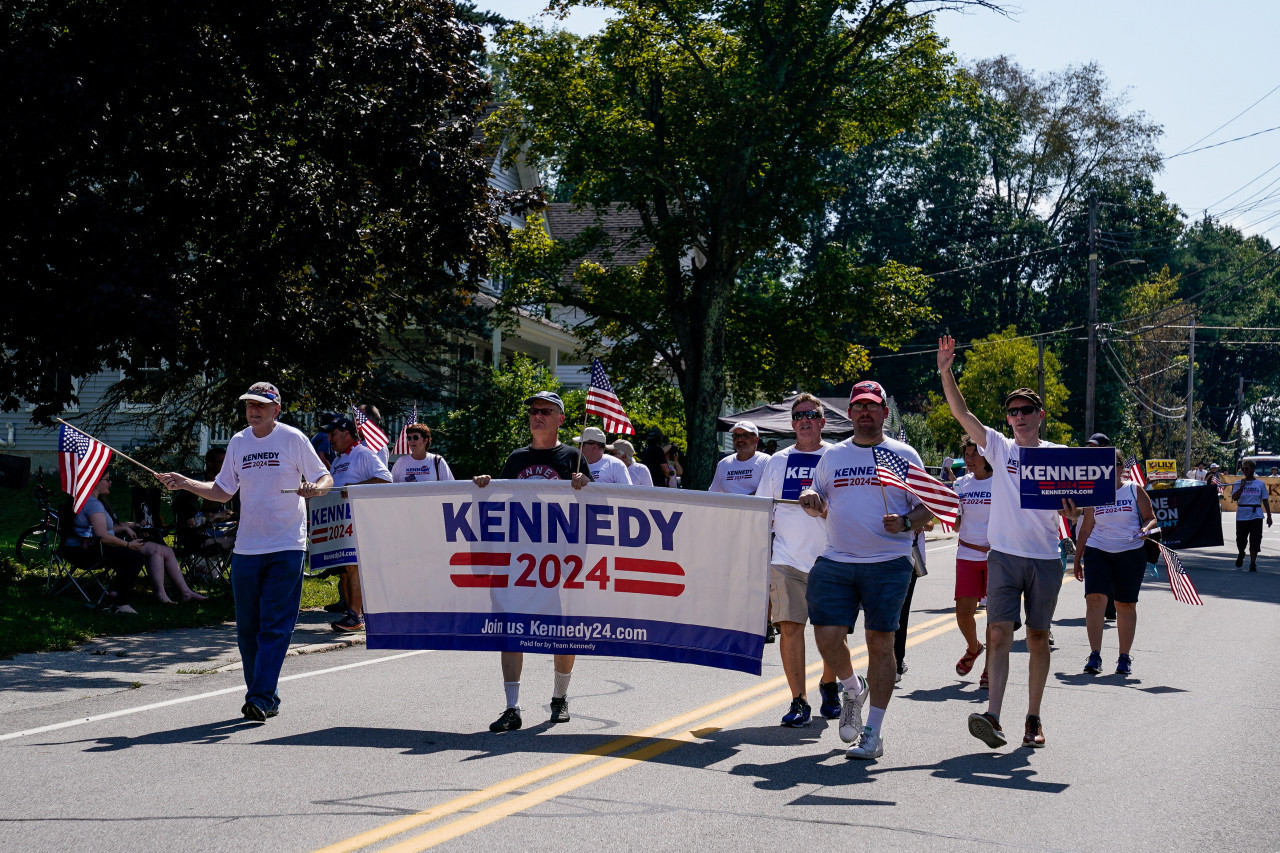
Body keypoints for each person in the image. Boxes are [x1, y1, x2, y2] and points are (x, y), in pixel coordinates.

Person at [157, 382, 332, 722]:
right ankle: (265, 696)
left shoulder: (293, 439)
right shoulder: (238, 442)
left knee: (275, 626)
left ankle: (260, 697)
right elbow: (223, 491)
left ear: (275, 409)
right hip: (247, 548)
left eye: (261, 405)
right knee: (247, 629)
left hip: (286, 546)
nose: (254, 410)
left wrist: (315, 489)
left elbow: (324, 477)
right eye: (249, 404)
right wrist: (186, 482)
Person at [937, 337, 1076, 750]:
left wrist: (1072, 511)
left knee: (1036, 636)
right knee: (998, 632)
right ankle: (993, 715)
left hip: (1044, 558)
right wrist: (946, 371)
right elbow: (962, 413)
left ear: (1039, 415)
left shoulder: (1058, 455)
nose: (1017, 417)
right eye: (1012, 412)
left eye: (1025, 411)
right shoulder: (999, 446)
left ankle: (1032, 717)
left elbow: (1076, 510)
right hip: (1003, 556)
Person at [798, 380, 930, 760]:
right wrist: (812, 499)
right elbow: (820, 499)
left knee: (880, 644)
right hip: (836, 558)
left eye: (873, 406)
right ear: (850, 412)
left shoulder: (903, 454)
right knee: (825, 637)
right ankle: (853, 687)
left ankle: (873, 731)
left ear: (885, 413)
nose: (866, 412)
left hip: (888, 563)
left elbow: (932, 508)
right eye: (859, 406)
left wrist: (906, 522)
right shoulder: (833, 456)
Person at [473, 390, 592, 732]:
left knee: (562, 633)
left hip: (562, 560)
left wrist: (586, 485)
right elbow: (501, 500)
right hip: (520, 560)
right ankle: (512, 708)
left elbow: (595, 508)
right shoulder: (516, 458)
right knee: (512, 629)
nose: (537, 415)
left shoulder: (573, 457)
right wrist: (485, 485)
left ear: (560, 419)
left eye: (545, 411)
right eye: (533, 411)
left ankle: (559, 698)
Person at [761, 393, 838, 727]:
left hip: (833, 559)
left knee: (832, 632)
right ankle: (799, 701)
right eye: (798, 415)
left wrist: (823, 508)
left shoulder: (837, 457)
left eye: (812, 414)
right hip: (786, 558)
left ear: (823, 421)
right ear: (792, 424)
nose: (805, 419)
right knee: (790, 629)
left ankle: (830, 684)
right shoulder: (776, 461)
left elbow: (851, 507)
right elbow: (763, 509)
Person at [1073, 449, 1159, 675]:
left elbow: (1151, 517)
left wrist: (1145, 529)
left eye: (1114, 465)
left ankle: (1123, 658)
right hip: (1097, 550)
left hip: (1130, 552)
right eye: (1104, 466)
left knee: (1125, 604)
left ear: (1121, 468)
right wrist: (1077, 558)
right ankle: (1094, 655)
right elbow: (1086, 528)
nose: (1109, 470)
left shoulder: (1134, 490)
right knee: (1095, 600)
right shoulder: (1095, 492)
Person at [321, 414, 393, 633]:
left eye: (333, 434)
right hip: (341, 522)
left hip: (360, 520)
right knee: (345, 568)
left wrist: (355, 487)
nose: (330, 439)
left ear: (346, 433)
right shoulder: (340, 460)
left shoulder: (363, 453)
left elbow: (386, 479)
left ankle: (356, 615)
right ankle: (352, 613)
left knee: (353, 566)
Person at [63, 473, 148, 614]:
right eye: (107, 479)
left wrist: (125, 528)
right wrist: (128, 545)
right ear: (95, 482)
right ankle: (122, 602)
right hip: (86, 553)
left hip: (76, 549)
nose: (110, 483)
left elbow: (105, 528)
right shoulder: (92, 504)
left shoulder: (85, 500)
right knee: (135, 556)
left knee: (126, 554)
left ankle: (116, 591)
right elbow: (103, 536)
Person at [952, 436, 993, 688]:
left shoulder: (1002, 483)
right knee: (963, 613)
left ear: (987, 457)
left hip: (995, 555)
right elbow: (956, 524)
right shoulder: (960, 484)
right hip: (967, 553)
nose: (969, 459)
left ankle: (990, 668)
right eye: (966, 454)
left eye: (974, 454)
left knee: (995, 616)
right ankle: (974, 646)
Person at [1230, 460, 1273, 571]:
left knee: (1255, 538)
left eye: (1246, 469)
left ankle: (1252, 563)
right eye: (1243, 469)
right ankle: (1241, 553)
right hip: (1242, 514)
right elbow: (1234, 497)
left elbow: (1265, 500)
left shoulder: (1260, 484)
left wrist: (1269, 515)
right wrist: (1241, 487)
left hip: (1256, 514)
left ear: (1253, 469)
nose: (1244, 471)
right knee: (1241, 539)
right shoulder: (1239, 482)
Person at [710, 421, 769, 494]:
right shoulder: (723, 463)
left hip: (753, 505)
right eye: (736, 436)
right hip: (727, 505)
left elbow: (767, 490)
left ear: (756, 440)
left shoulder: (765, 461)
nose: (739, 439)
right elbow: (713, 492)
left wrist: (739, 503)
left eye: (745, 435)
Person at [390, 423, 455, 483]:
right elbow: (391, 488)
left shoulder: (438, 461)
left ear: (425, 440)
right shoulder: (401, 462)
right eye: (409, 438)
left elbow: (450, 487)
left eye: (415, 437)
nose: (412, 441)